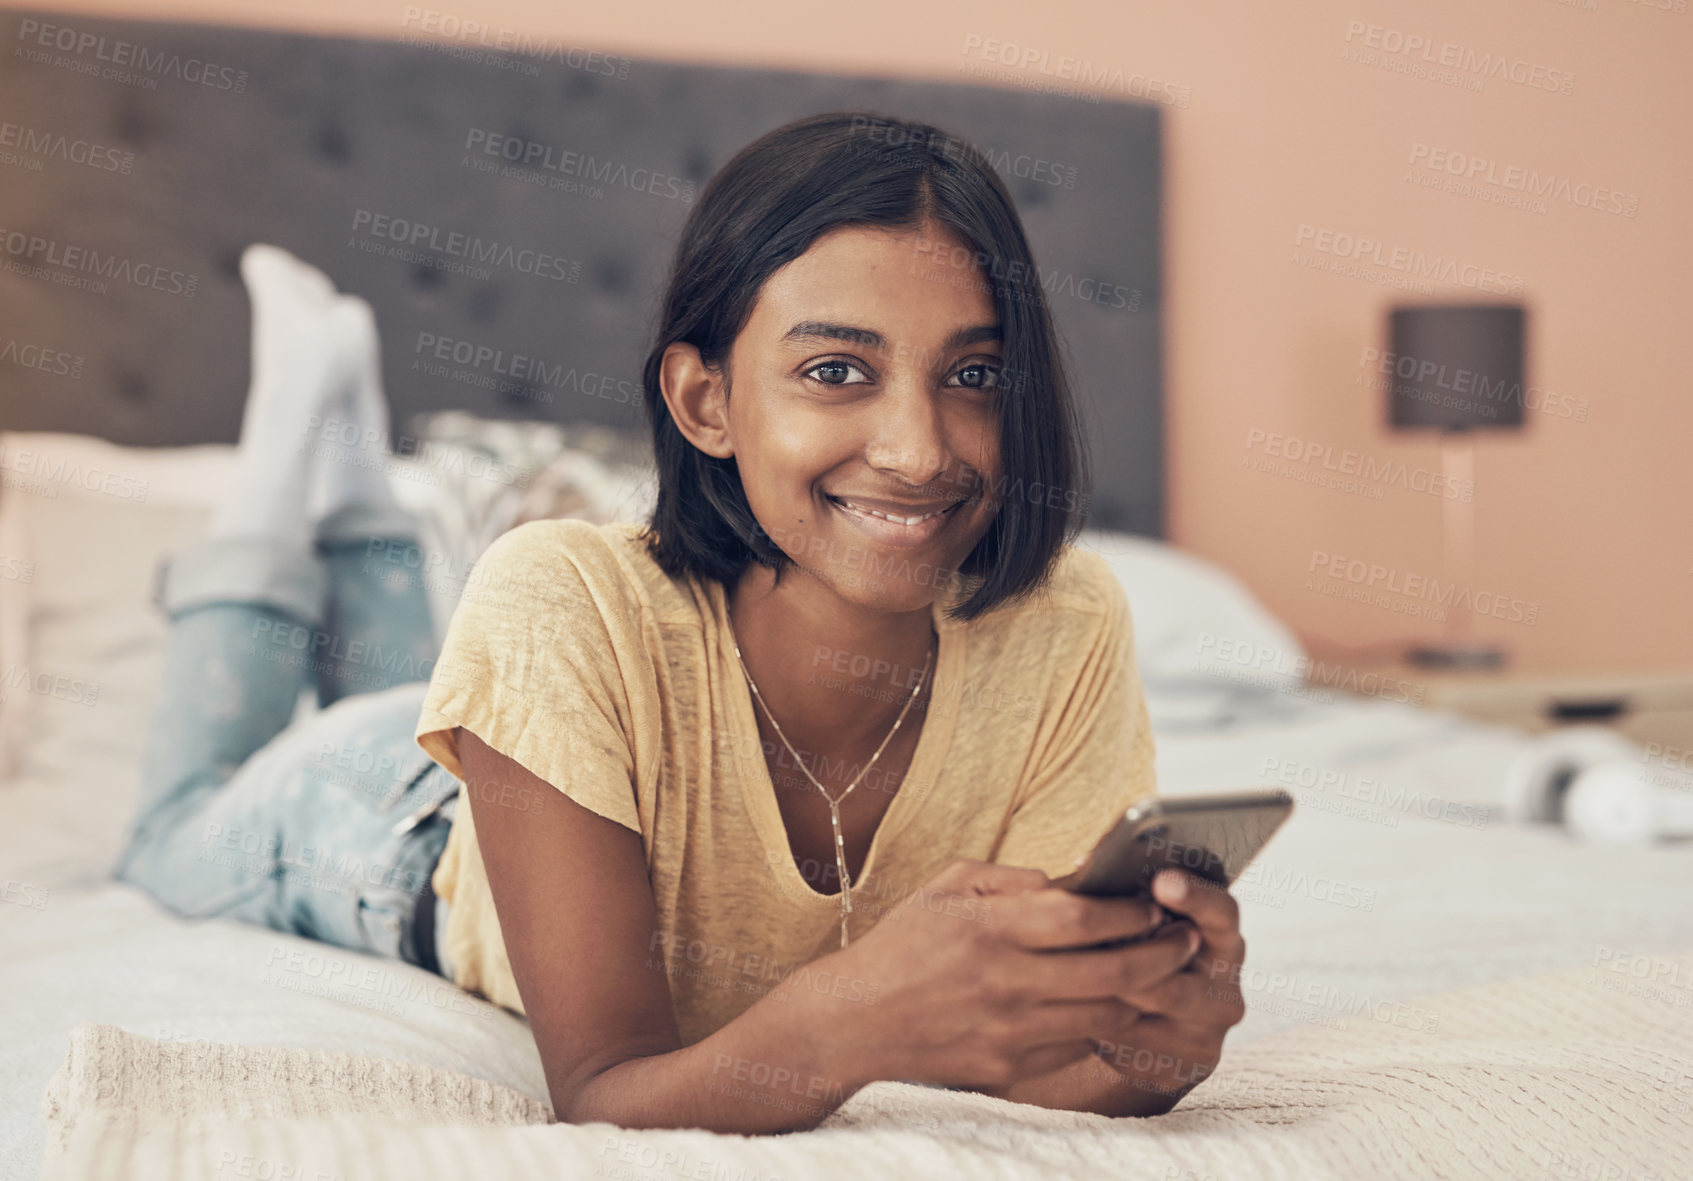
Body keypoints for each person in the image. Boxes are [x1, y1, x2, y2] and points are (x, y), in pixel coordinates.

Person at [116, 110, 1250, 1137]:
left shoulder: (1069, 621)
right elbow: (608, 1087)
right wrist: (854, 1015)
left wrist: (1151, 1047)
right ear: (705, 400)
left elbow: (1033, 1053)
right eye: (838, 369)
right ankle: (292, 452)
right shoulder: (555, 593)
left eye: (974, 373)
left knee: (433, 671)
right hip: (395, 828)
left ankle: (361, 484)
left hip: (540, 735)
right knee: (168, 827)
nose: (920, 449)